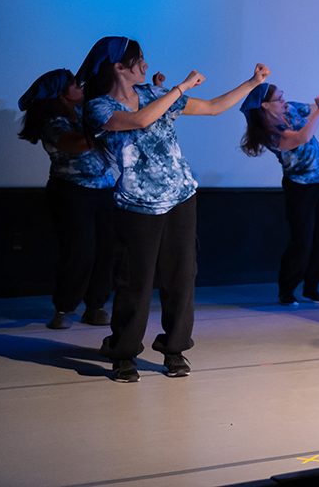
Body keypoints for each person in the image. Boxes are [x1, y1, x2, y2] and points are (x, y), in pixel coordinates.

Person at [81, 35, 270, 382]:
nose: (146, 66)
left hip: (180, 197)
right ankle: (123, 353)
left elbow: (212, 107)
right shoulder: (99, 107)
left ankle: (174, 348)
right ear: (118, 67)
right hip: (136, 205)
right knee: (134, 282)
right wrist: (180, 87)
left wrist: (252, 82)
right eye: (139, 61)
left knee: (181, 277)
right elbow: (138, 120)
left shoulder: (156, 95)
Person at [239, 72, 319, 305]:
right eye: (279, 98)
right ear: (265, 105)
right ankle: (287, 289)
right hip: (300, 189)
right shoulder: (269, 134)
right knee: (302, 241)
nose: (285, 101)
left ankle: (312, 287)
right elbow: (303, 137)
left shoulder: (292, 109)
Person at [17, 69, 116, 329]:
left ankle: (95, 306)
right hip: (72, 191)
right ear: (60, 93)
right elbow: (75, 144)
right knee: (79, 251)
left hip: (104, 189)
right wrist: (102, 129)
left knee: (106, 250)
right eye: (74, 84)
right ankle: (64, 307)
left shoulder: (85, 112)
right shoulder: (52, 120)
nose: (80, 86)